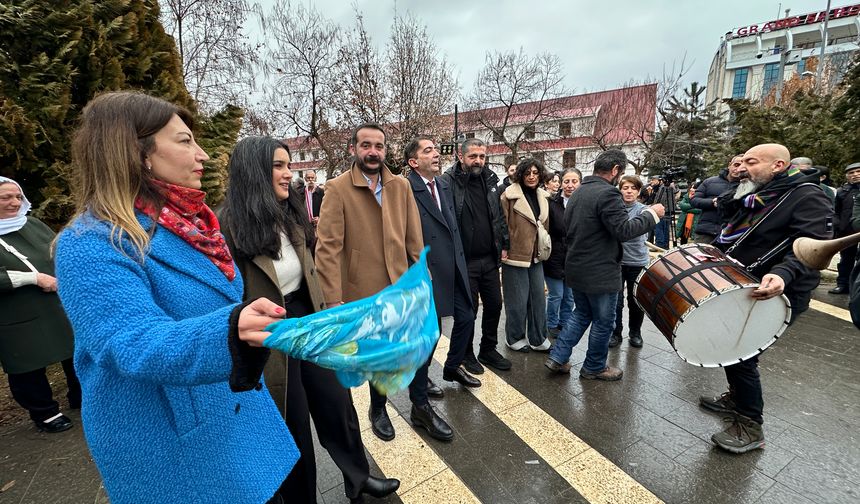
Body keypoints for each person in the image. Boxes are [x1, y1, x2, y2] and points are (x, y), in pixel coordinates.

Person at [53, 91, 298, 503]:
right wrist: (232, 332)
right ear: (137, 152)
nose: (202, 155)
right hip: (174, 443)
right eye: (185, 141)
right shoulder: (89, 243)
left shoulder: (188, 226)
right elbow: (132, 341)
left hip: (232, 418)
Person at [220, 137, 399, 503]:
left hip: (309, 316)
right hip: (272, 331)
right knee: (294, 420)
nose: (290, 174)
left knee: (337, 403)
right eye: (280, 166)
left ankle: (358, 479)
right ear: (254, 171)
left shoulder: (290, 212)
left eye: (290, 165)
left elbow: (313, 267)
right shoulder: (227, 226)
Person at [702, 143, 832, 453]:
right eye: (742, 160)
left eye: (752, 161)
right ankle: (736, 398)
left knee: (741, 352)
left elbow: (814, 245)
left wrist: (784, 274)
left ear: (778, 165)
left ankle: (750, 425)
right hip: (746, 283)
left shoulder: (807, 196)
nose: (743, 167)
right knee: (733, 348)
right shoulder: (757, 194)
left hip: (778, 290)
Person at [314, 123, 428, 443]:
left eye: (379, 145)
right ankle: (349, 418)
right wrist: (333, 299)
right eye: (366, 145)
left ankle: (378, 409)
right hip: (357, 291)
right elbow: (328, 248)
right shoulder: (337, 189)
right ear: (354, 149)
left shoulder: (401, 186)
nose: (373, 151)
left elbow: (413, 239)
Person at [545, 149, 663, 379]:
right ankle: (595, 366)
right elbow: (624, 230)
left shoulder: (578, 193)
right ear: (616, 170)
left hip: (576, 269)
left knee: (581, 314)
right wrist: (651, 215)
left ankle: (557, 357)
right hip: (600, 272)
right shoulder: (608, 194)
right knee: (603, 321)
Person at [0, 177, 81, 433]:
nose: (14, 202)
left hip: (56, 304)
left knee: (74, 350)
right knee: (28, 364)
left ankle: (81, 396)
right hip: (16, 311)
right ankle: (45, 412)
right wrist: (32, 278)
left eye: (17, 197)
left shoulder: (32, 224)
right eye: (5, 198)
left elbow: (57, 250)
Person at [405, 136, 480, 390]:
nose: (436, 154)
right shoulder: (406, 190)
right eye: (428, 151)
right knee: (432, 331)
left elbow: (452, 226)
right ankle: (421, 377)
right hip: (429, 269)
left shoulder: (443, 185)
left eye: (436, 149)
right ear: (414, 162)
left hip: (454, 265)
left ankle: (452, 367)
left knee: (467, 316)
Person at [440, 139, 512, 373]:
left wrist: (504, 243)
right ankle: (467, 353)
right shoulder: (448, 183)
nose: (478, 161)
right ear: (461, 157)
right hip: (464, 261)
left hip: (488, 258)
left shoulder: (490, 180)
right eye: (473, 156)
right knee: (468, 312)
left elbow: (497, 216)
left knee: (494, 305)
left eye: (482, 156)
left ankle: (488, 349)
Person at [500, 158, 552, 352]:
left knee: (538, 298)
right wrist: (504, 247)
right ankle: (514, 337)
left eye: (535, 173)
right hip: (515, 254)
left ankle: (538, 338)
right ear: (520, 174)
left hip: (537, 255)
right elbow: (501, 224)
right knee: (517, 301)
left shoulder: (544, 196)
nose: (531, 177)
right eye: (527, 173)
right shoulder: (508, 196)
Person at [610, 175, 651, 349]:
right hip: (617, 262)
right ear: (620, 190)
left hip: (637, 261)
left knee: (635, 301)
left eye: (633, 188)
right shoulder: (614, 209)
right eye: (625, 187)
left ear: (638, 191)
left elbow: (637, 230)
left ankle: (635, 332)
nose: (629, 191)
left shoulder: (644, 210)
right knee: (616, 302)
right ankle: (615, 332)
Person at [545, 168, 581, 337]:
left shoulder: (584, 203)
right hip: (555, 256)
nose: (570, 185)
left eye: (574, 181)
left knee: (569, 297)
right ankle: (551, 323)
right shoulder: (552, 203)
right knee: (556, 295)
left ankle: (565, 323)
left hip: (575, 258)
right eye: (566, 181)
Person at [691, 156, 742, 243]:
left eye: (741, 166)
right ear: (729, 165)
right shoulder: (709, 182)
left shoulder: (748, 186)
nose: (738, 169)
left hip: (731, 235)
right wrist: (712, 202)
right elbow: (694, 200)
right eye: (736, 165)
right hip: (706, 232)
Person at [829, 162, 860, 294]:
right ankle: (843, 284)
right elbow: (835, 211)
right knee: (846, 260)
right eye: (851, 173)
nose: (855, 175)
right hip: (847, 231)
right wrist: (837, 225)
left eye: (858, 171)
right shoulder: (842, 192)